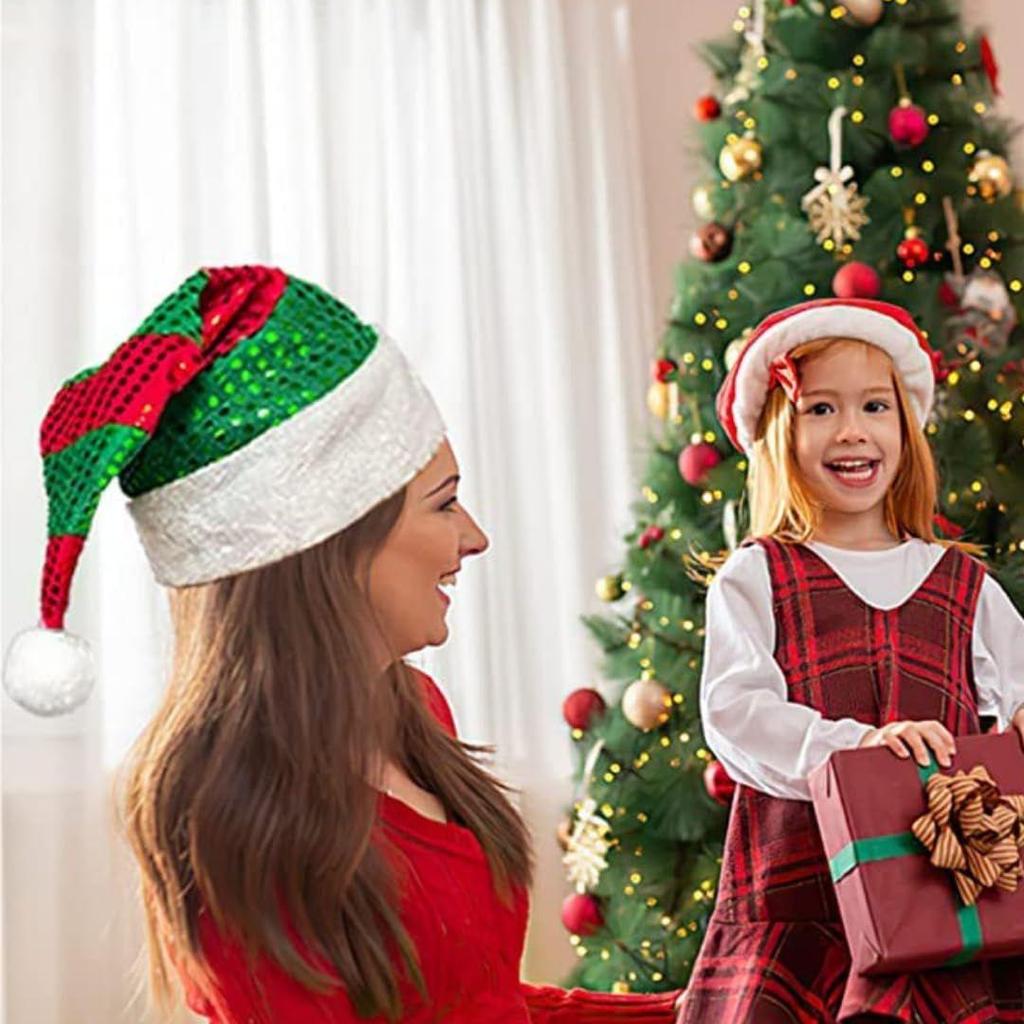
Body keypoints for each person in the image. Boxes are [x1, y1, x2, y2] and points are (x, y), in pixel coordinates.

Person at [2, 266, 684, 1023]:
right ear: (333, 545)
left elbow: (469, 1001)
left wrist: (694, 1011)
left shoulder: (412, 709)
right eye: (444, 505)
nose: (474, 537)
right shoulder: (233, 819)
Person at [678, 298, 1024, 1023]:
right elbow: (737, 714)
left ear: (905, 426)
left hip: (942, 898)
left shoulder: (962, 584)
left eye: (874, 406)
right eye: (821, 409)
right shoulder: (757, 575)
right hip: (801, 903)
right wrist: (857, 748)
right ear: (780, 432)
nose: (852, 431)